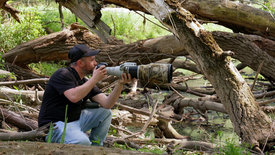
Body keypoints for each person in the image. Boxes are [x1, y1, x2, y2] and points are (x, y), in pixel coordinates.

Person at [38, 44, 132, 146]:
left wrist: (120, 84)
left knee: (105, 113)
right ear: (80, 62)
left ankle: (96, 147)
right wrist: (94, 79)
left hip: (75, 121)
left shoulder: (84, 81)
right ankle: (86, 147)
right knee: (83, 142)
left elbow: (107, 103)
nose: (95, 63)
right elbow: (74, 97)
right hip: (54, 126)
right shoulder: (62, 74)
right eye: (92, 60)